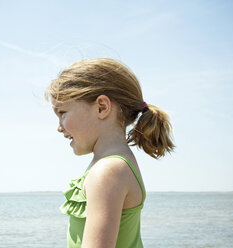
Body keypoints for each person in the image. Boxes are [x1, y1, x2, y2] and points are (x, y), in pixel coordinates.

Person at [45, 58, 175, 248]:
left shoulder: (107, 171)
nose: (59, 127)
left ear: (102, 107)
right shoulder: (115, 164)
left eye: (62, 113)